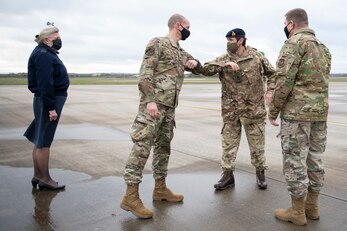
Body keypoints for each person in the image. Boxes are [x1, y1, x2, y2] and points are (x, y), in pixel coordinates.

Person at [120, 14, 201, 219]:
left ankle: (160, 189)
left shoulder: (180, 51)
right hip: (153, 108)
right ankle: (130, 197)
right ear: (177, 25)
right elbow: (145, 73)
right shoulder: (157, 43)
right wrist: (150, 100)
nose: (189, 31)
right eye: (187, 27)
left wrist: (199, 63)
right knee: (141, 148)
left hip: (169, 109)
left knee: (163, 149)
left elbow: (199, 67)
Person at [268, 8, 331, 226]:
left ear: (291, 24)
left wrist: (273, 110)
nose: (285, 28)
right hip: (319, 113)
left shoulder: (294, 44)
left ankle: (297, 212)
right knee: (315, 158)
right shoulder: (323, 48)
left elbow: (284, 81)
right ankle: (312, 207)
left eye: (285, 24)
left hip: (297, 114)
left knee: (295, 160)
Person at [201, 28, 276, 190]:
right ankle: (227, 176)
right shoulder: (224, 58)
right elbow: (205, 69)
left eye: (231, 41)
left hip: (253, 110)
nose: (228, 43)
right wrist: (223, 64)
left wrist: (270, 91)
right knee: (228, 145)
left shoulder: (257, 57)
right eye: (227, 40)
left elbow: (273, 74)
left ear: (241, 41)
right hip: (231, 111)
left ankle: (260, 174)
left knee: (257, 145)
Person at [24, 26, 69, 191]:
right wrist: (51, 108)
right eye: (57, 36)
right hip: (49, 101)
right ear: (47, 39)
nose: (59, 39)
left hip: (46, 100)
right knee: (44, 142)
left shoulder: (43, 52)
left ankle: (38, 175)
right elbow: (45, 83)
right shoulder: (44, 55)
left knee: (40, 139)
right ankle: (44, 178)